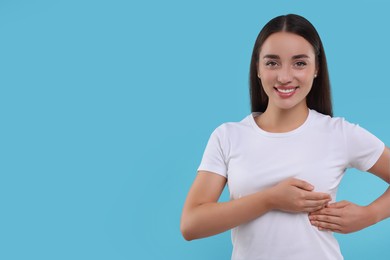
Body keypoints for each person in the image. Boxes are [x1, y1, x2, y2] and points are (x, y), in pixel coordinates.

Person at [180, 14, 390, 260]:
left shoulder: (339, 133)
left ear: (317, 69)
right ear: (257, 68)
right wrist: (270, 199)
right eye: (272, 63)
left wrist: (370, 215)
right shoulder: (228, 136)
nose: (284, 76)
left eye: (299, 63)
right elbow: (191, 224)